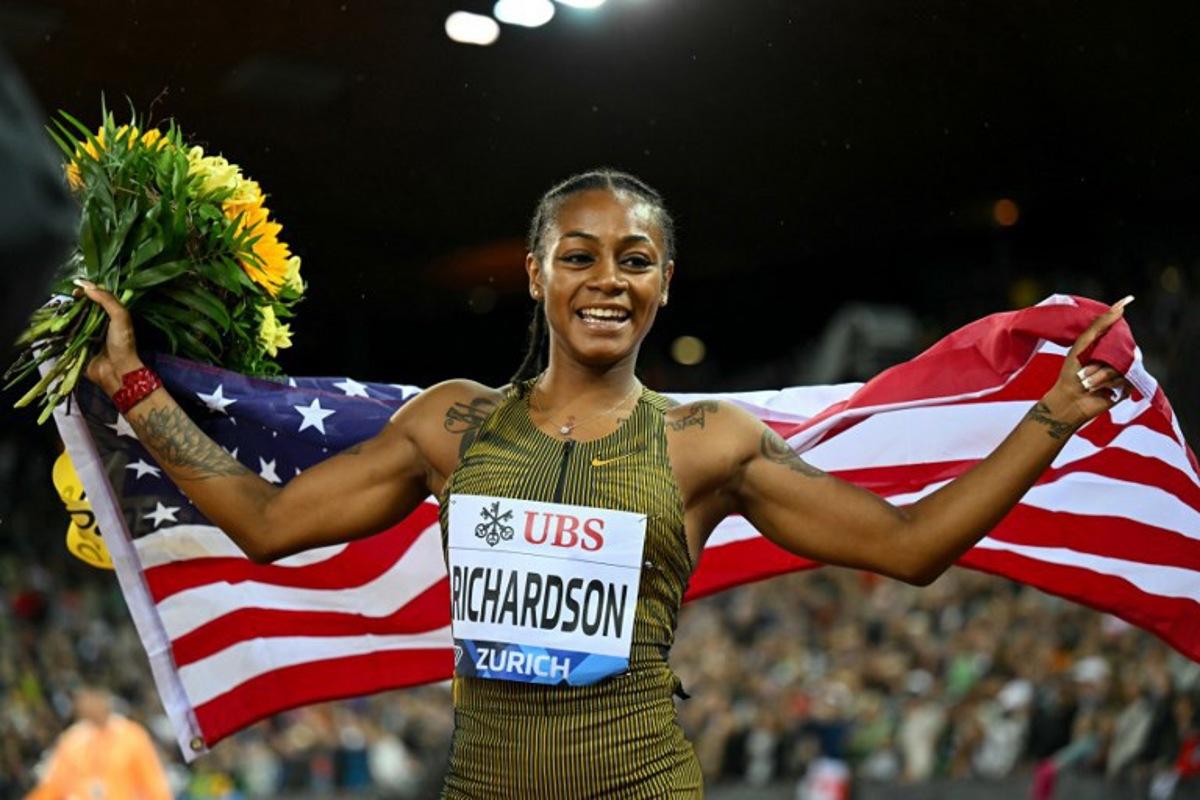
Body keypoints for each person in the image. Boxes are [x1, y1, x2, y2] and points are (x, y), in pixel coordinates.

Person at [74, 169, 1132, 798]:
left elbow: (910, 546)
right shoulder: (451, 423)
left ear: (667, 281)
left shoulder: (712, 441)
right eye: (579, 255)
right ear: (534, 270)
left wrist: (1051, 418)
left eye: (635, 259)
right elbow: (263, 524)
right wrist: (131, 384)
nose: (607, 280)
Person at [25, 685, 172, 800]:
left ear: (104, 698)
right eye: (82, 698)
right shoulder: (70, 741)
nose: (87, 704)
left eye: (91, 696)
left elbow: (154, 785)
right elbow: (51, 787)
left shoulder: (131, 735)